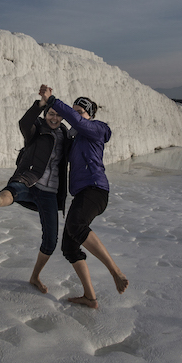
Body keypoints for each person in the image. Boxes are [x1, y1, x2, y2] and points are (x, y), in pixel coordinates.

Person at [40, 84, 128, 308]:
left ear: (89, 115)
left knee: (77, 226)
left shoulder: (96, 129)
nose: (76, 116)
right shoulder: (75, 139)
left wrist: (53, 100)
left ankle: (115, 271)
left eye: (81, 112)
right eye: (75, 110)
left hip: (96, 189)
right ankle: (90, 297)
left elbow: (78, 122)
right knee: (69, 247)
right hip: (81, 193)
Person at [0, 93, 71, 294]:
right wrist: (39, 104)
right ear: (46, 113)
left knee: (51, 241)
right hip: (31, 180)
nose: (54, 118)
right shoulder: (36, 130)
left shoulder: (66, 135)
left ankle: (35, 276)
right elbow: (24, 122)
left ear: (62, 117)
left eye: (58, 115)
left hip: (50, 193)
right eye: (50, 113)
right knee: (14, 189)